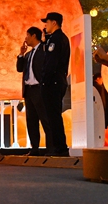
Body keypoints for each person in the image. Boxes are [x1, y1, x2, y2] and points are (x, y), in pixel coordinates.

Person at [39, 11, 72, 156]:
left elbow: (51, 63)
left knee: (53, 116)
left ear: (54, 23)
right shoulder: (57, 39)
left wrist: (44, 80)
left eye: (47, 22)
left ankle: (59, 147)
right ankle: (58, 146)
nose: (45, 25)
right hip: (58, 80)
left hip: (53, 82)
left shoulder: (56, 39)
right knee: (53, 115)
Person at [16, 26, 46, 154]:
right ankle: (34, 147)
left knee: (45, 118)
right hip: (29, 90)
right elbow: (19, 68)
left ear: (34, 36)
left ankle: (51, 147)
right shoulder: (28, 54)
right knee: (31, 120)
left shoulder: (43, 51)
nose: (26, 38)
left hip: (40, 89)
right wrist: (21, 54)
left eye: (27, 35)